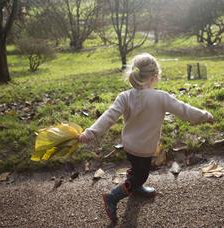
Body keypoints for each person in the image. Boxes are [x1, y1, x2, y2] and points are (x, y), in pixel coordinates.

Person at [78, 53, 214, 223]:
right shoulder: (161, 97)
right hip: (145, 147)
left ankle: (135, 187)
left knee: (137, 168)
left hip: (129, 145)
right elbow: (185, 110)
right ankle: (113, 196)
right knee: (141, 174)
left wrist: (90, 132)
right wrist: (205, 115)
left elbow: (109, 116)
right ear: (154, 76)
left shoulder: (125, 96)